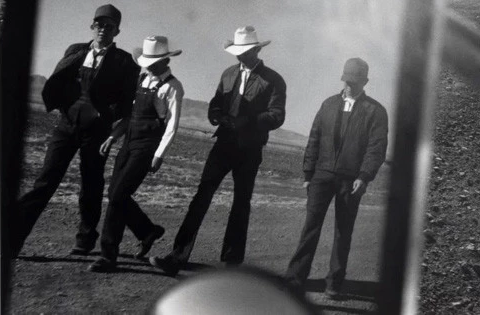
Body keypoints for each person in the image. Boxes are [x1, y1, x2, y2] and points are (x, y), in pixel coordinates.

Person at [150, 26, 286, 275]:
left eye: (245, 51)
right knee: (201, 197)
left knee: (240, 203)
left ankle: (231, 265)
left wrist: (250, 121)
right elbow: (216, 102)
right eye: (238, 51)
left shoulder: (274, 80)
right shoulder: (228, 74)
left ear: (256, 49)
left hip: (250, 149)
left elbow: (277, 116)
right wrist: (214, 114)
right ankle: (176, 257)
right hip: (223, 144)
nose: (239, 56)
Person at [11, 4, 139, 258]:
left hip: (96, 133)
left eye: (109, 26)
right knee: (45, 182)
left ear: (117, 31)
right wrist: (60, 106)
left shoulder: (125, 62)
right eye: (99, 24)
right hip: (66, 127)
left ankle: (85, 238)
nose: (103, 29)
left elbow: (127, 105)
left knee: (91, 185)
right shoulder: (76, 51)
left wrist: (110, 127)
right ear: (92, 26)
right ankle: (12, 238)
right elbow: (59, 79)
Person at [284, 58, 389, 300]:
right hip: (321, 176)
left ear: (365, 81)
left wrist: (364, 177)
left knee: (343, 232)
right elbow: (314, 139)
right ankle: (294, 280)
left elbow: (377, 147)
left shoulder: (375, 111)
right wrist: (308, 174)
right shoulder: (328, 104)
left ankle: (334, 283)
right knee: (310, 229)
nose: (349, 85)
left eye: (354, 81)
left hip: (351, 181)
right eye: (346, 80)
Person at [88, 36, 184, 272]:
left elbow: (172, 124)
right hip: (129, 141)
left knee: (119, 194)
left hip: (147, 147)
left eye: (154, 61)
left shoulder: (172, 87)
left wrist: (159, 155)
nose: (149, 65)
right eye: (147, 61)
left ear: (165, 60)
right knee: (114, 193)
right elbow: (131, 115)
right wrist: (114, 136)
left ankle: (108, 255)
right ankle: (147, 231)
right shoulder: (142, 80)